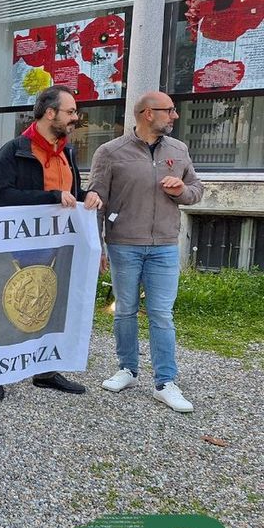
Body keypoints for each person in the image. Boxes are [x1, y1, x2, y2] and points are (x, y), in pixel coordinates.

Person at [86, 91, 203, 412]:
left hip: (165, 246)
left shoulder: (179, 149)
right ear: (148, 113)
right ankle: (127, 369)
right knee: (124, 309)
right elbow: (96, 199)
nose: (175, 115)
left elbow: (196, 190)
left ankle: (165, 382)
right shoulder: (110, 152)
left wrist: (182, 190)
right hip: (123, 245)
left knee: (161, 314)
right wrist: (97, 246)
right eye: (169, 110)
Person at [0, 84, 102, 401]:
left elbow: (70, 196)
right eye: (70, 111)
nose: (75, 117)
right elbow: (0, 197)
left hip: (57, 246)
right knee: (7, 307)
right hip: (18, 247)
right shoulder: (13, 151)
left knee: (50, 306)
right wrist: (50, 197)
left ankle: (45, 371)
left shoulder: (67, 152)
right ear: (50, 113)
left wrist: (88, 196)